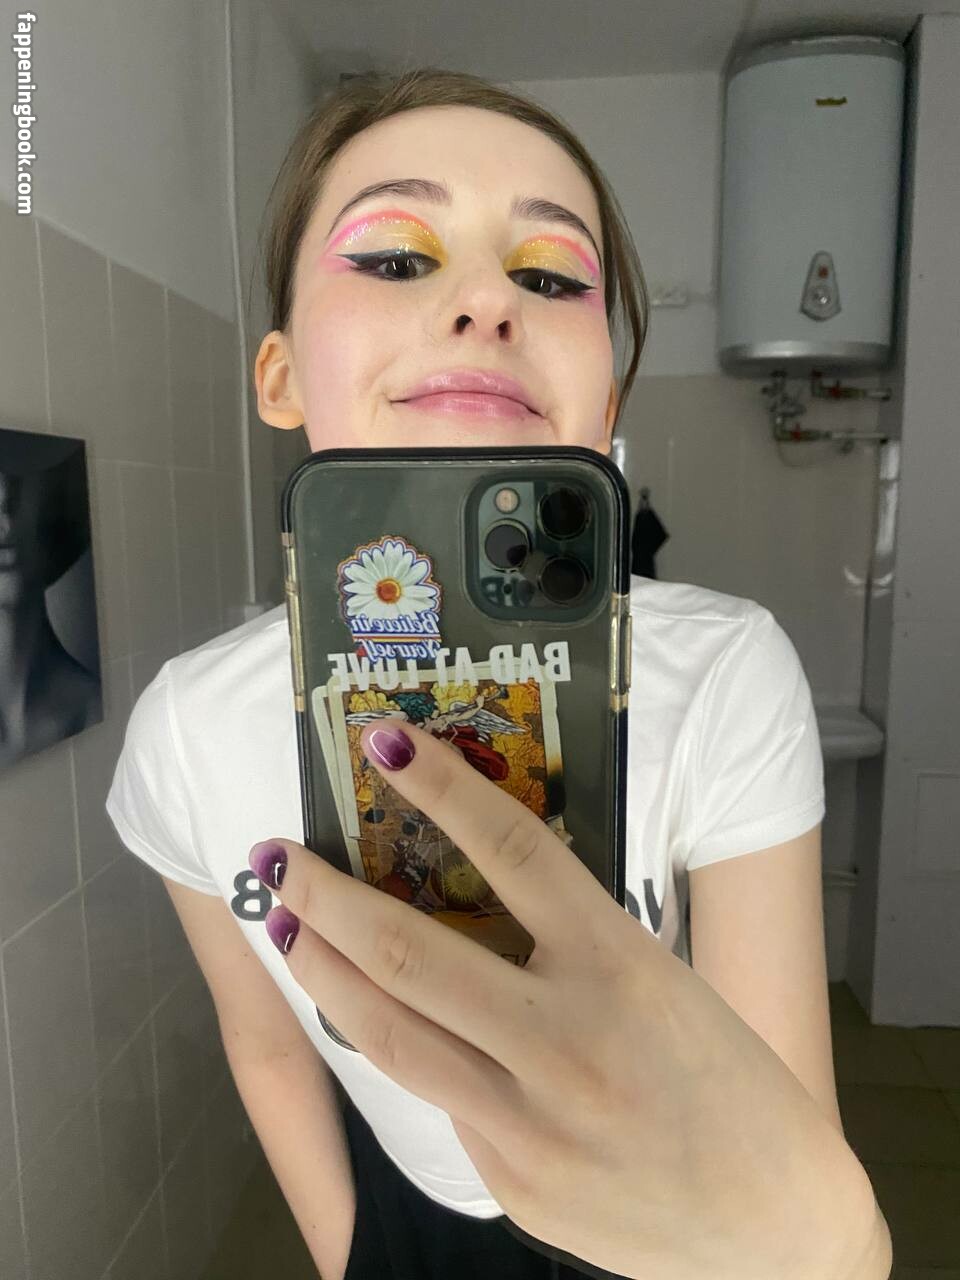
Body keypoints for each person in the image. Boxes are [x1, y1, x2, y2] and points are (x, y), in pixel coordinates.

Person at [106, 68, 891, 1280]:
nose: (485, 299)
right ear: (279, 374)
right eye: (394, 256)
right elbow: (265, 1041)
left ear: (605, 401)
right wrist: (351, 1253)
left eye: (551, 276)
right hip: (403, 1224)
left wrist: (831, 1244)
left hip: (670, 1220)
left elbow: (782, 1117)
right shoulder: (183, 731)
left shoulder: (729, 669)